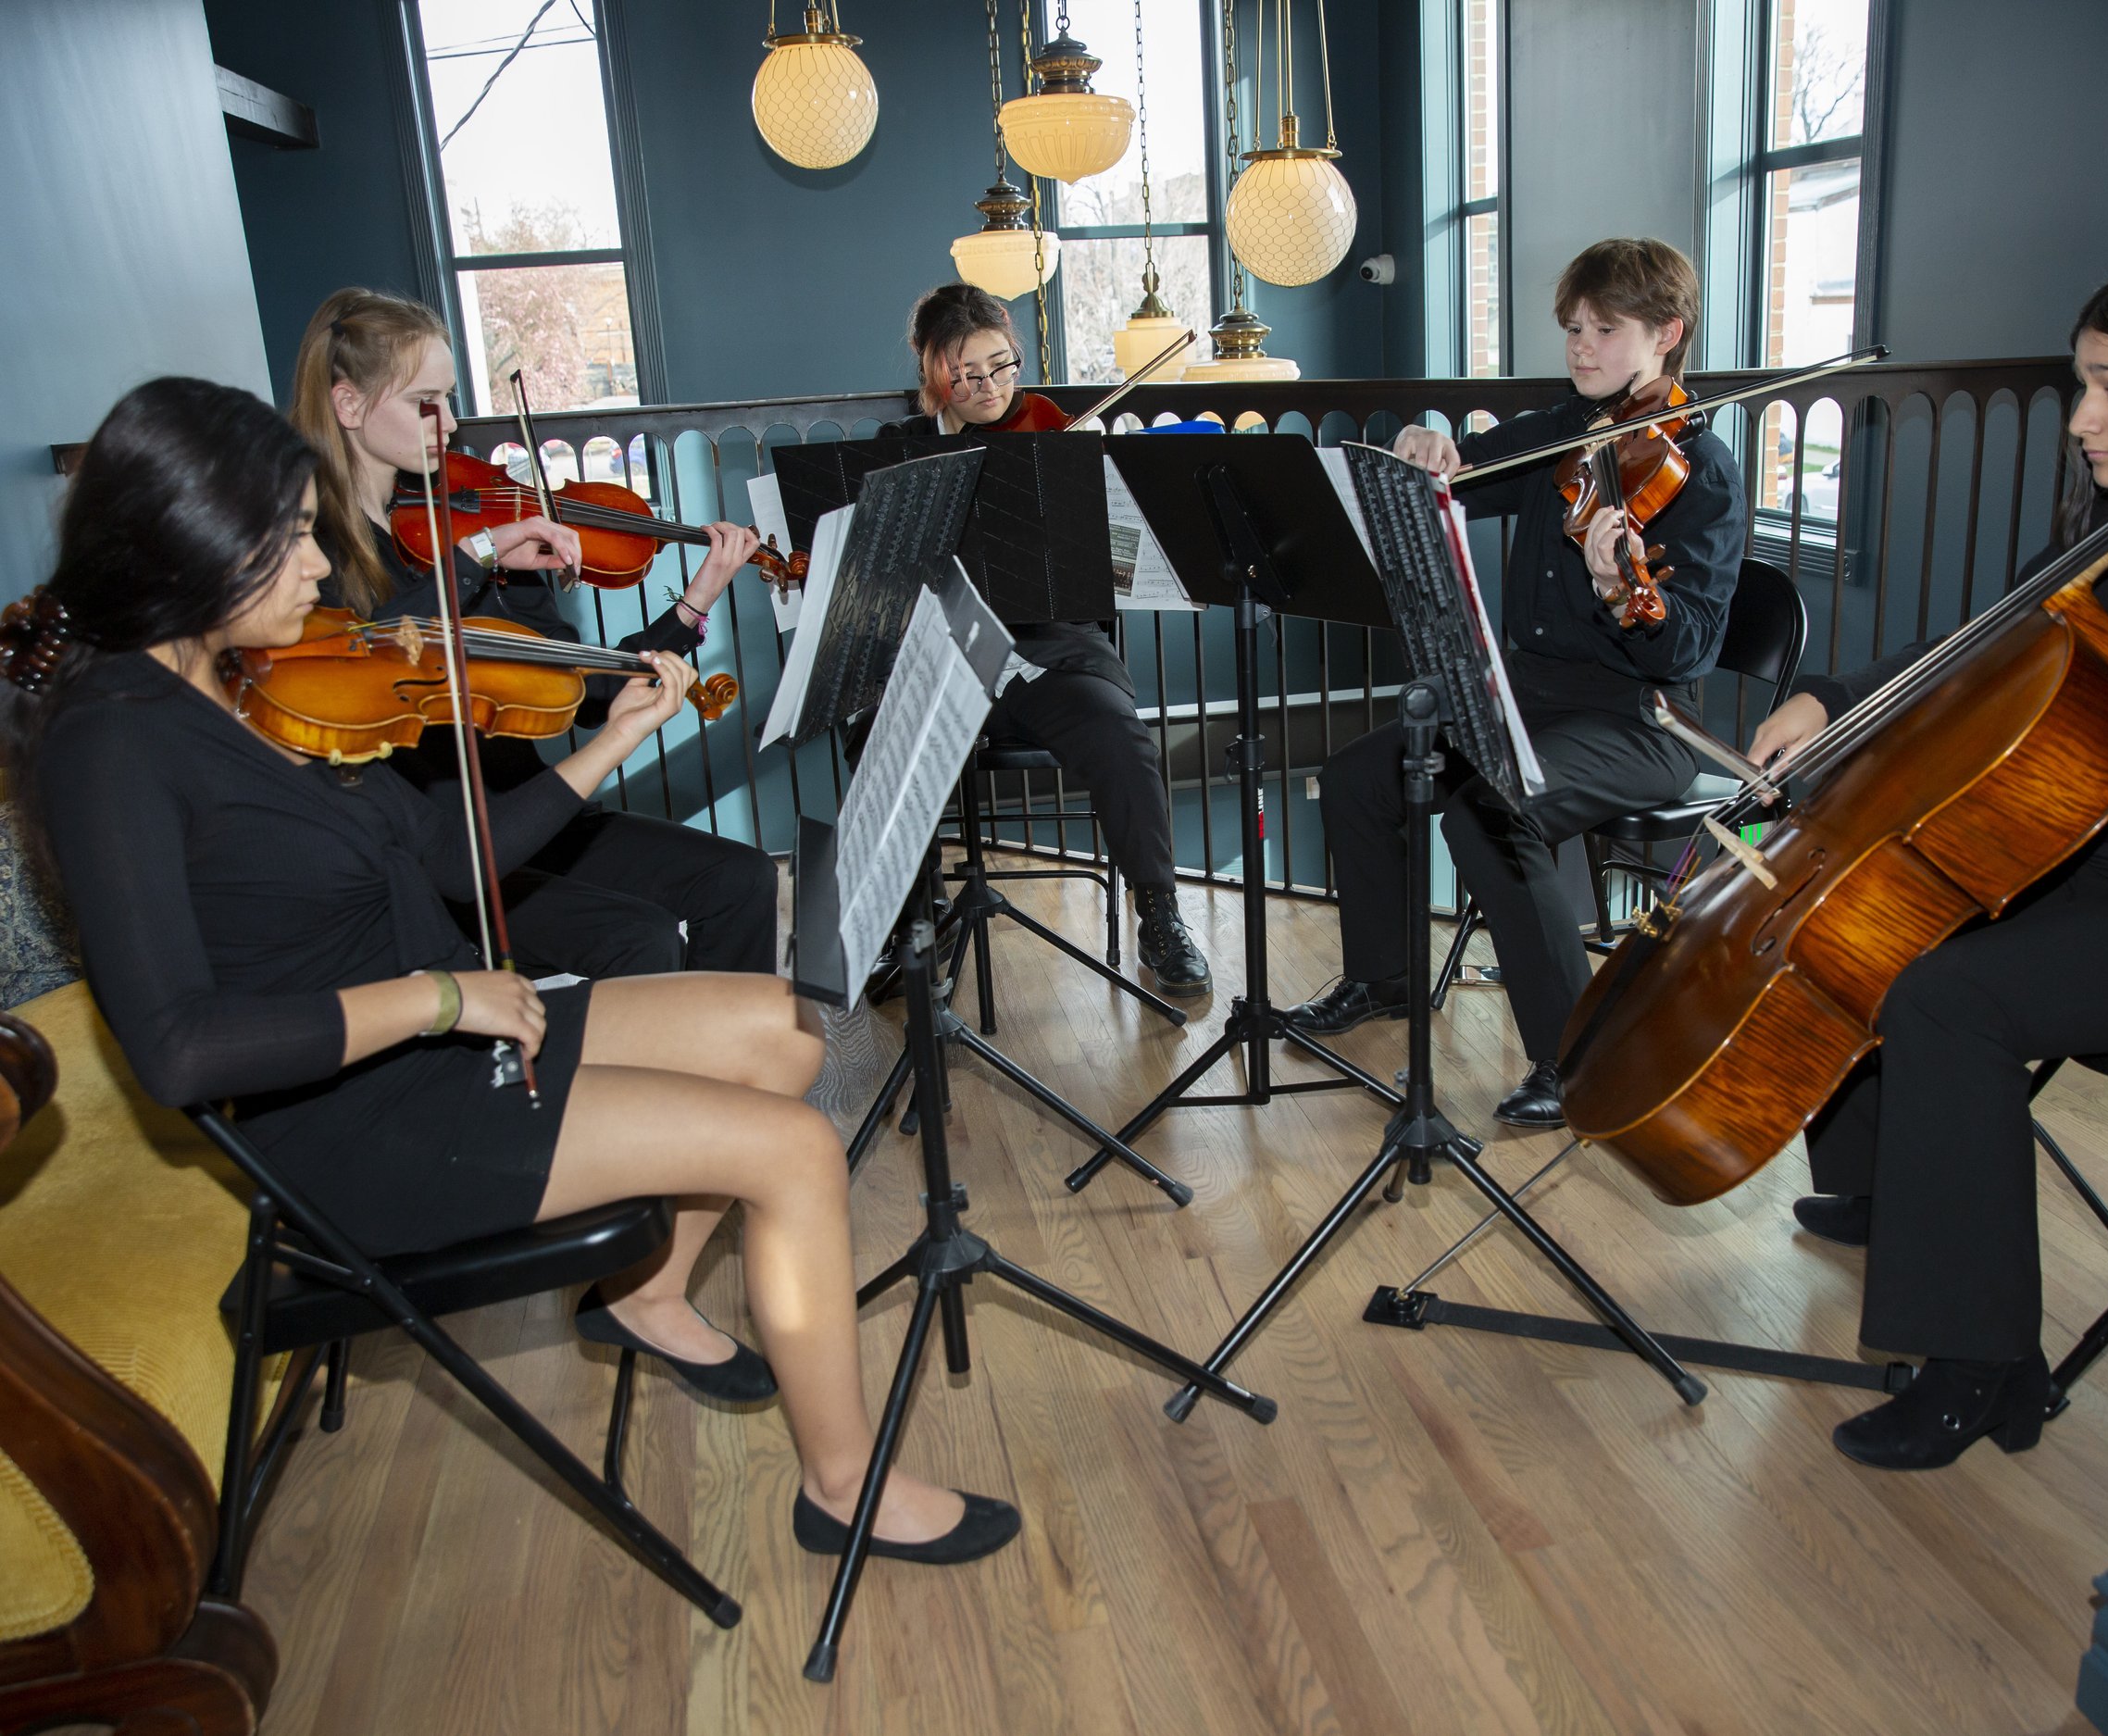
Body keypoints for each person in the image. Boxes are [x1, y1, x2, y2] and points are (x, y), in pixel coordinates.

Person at [5, 377, 1018, 1564]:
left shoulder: (246, 682)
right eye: (284, 540)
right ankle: (845, 1489)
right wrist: (442, 998)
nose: (320, 568)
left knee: (793, 1029)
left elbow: (444, 849)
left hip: (453, 1034)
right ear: (185, 548)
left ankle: (646, 1295)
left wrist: (613, 741)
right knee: (791, 1149)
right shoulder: (110, 744)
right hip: (359, 1116)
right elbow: (179, 1050)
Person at [1743, 251, 2108, 1469]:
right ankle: (1900, 1186)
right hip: (2101, 869)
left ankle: (1979, 1364)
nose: (2084, 418)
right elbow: (1981, 644)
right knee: (1871, 913)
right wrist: (1831, 695)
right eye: (2079, 386)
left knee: (1952, 996)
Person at [1288, 239, 1746, 1126]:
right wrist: (1428, 447)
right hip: (1521, 701)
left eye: (1604, 329)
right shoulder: (1565, 432)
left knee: (1496, 806)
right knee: (1355, 777)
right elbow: (1460, 472)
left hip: (1635, 724)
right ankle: (1385, 980)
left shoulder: (1705, 476)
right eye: (1573, 327)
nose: (1580, 347)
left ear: (1668, 333)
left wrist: (1623, 591)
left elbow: (1685, 650)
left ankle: (1574, 1055)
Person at [289, 287, 781, 983]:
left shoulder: (478, 539)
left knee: (744, 877)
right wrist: (481, 555)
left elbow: (587, 690)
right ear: (348, 405)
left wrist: (697, 599)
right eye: (425, 402)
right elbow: (378, 644)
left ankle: (734, 1074)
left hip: (531, 815)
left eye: (451, 397)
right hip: (433, 855)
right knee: (638, 937)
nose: (451, 422)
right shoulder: (313, 550)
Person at [881, 282, 1211, 997]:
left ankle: (1160, 915)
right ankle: (913, 917)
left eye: (1002, 365)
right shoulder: (900, 450)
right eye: (965, 375)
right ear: (932, 376)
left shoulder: (1055, 432)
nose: (991, 388)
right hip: (945, 657)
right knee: (882, 732)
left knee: (1117, 732)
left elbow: (1104, 566)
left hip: (1049, 651)